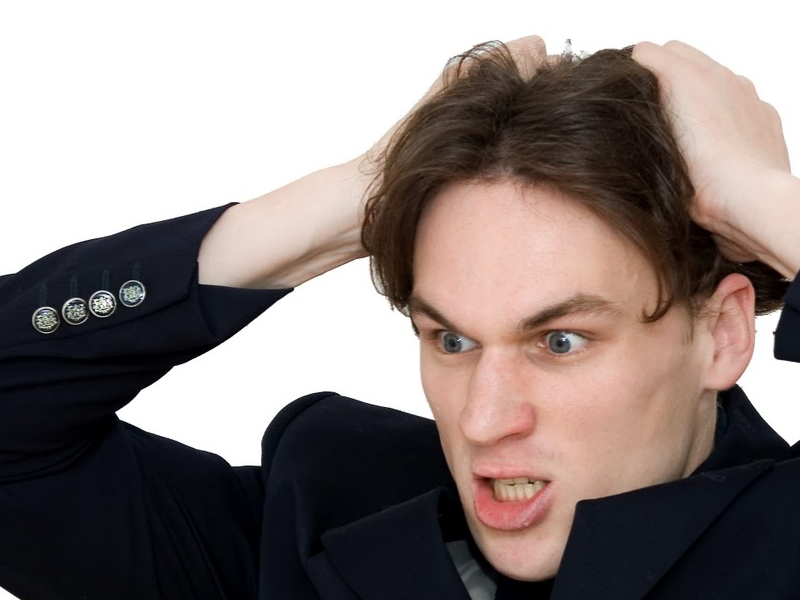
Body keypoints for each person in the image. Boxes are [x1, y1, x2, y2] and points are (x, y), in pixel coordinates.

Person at [0, 35, 798, 599]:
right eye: (452, 339)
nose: (483, 419)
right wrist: (358, 196)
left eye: (560, 341)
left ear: (723, 334)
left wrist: (756, 197)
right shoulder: (321, 525)